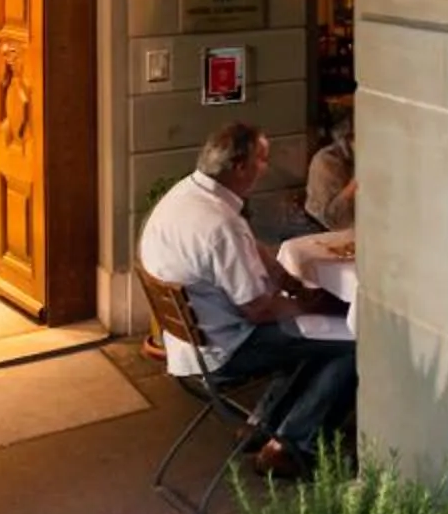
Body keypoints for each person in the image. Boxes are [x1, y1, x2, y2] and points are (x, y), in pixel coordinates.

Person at [139, 121, 355, 478]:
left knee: (316, 337)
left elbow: (251, 250)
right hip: (224, 349)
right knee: (351, 342)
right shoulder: (220, 224)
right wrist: (316, 305)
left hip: (188, 340)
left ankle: (264, 424)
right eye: (262, 159)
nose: (265, 167)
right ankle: (290, 447)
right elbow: (258, 309)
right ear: (240, 167)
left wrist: (291, 283)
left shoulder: (188, 196)